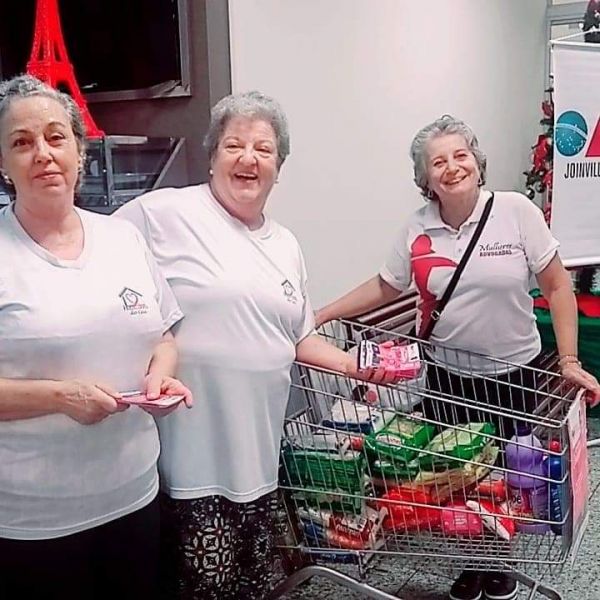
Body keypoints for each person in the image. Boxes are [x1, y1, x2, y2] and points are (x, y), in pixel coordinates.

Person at [116, 90, 390, 599]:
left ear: (278, 167)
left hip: (259, 457)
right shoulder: (163, 213)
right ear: (212, 156)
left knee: (253, 584)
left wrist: (353, 365)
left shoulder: (285, 244)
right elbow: (100, 263)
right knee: (201, 585)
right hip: (191, 458)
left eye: (264, 149)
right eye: (234, 145)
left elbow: (297, 335)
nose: (249, 158)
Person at [316, 115, 600, 600]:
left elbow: (557, 286)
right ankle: (473, 561)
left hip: (514, 373)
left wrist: (569, 360)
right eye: (438, 162)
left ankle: (501, 562)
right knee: (457, 477)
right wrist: (323, 312)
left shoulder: (515, 211)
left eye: (460, 155)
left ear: (477, 161)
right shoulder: (418, 227)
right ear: (425, 178)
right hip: (449, 376)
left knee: (507, 476)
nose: (452, 167)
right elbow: (387, 284)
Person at [0, 74, 192, 600]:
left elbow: (163, 336)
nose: (43, 153)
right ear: (3, 163)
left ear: (79, 151)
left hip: (134, 496)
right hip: (33, 522)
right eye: (22, 142)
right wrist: (60, 397)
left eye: (56, 137)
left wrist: (160, 377)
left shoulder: (122, 238)